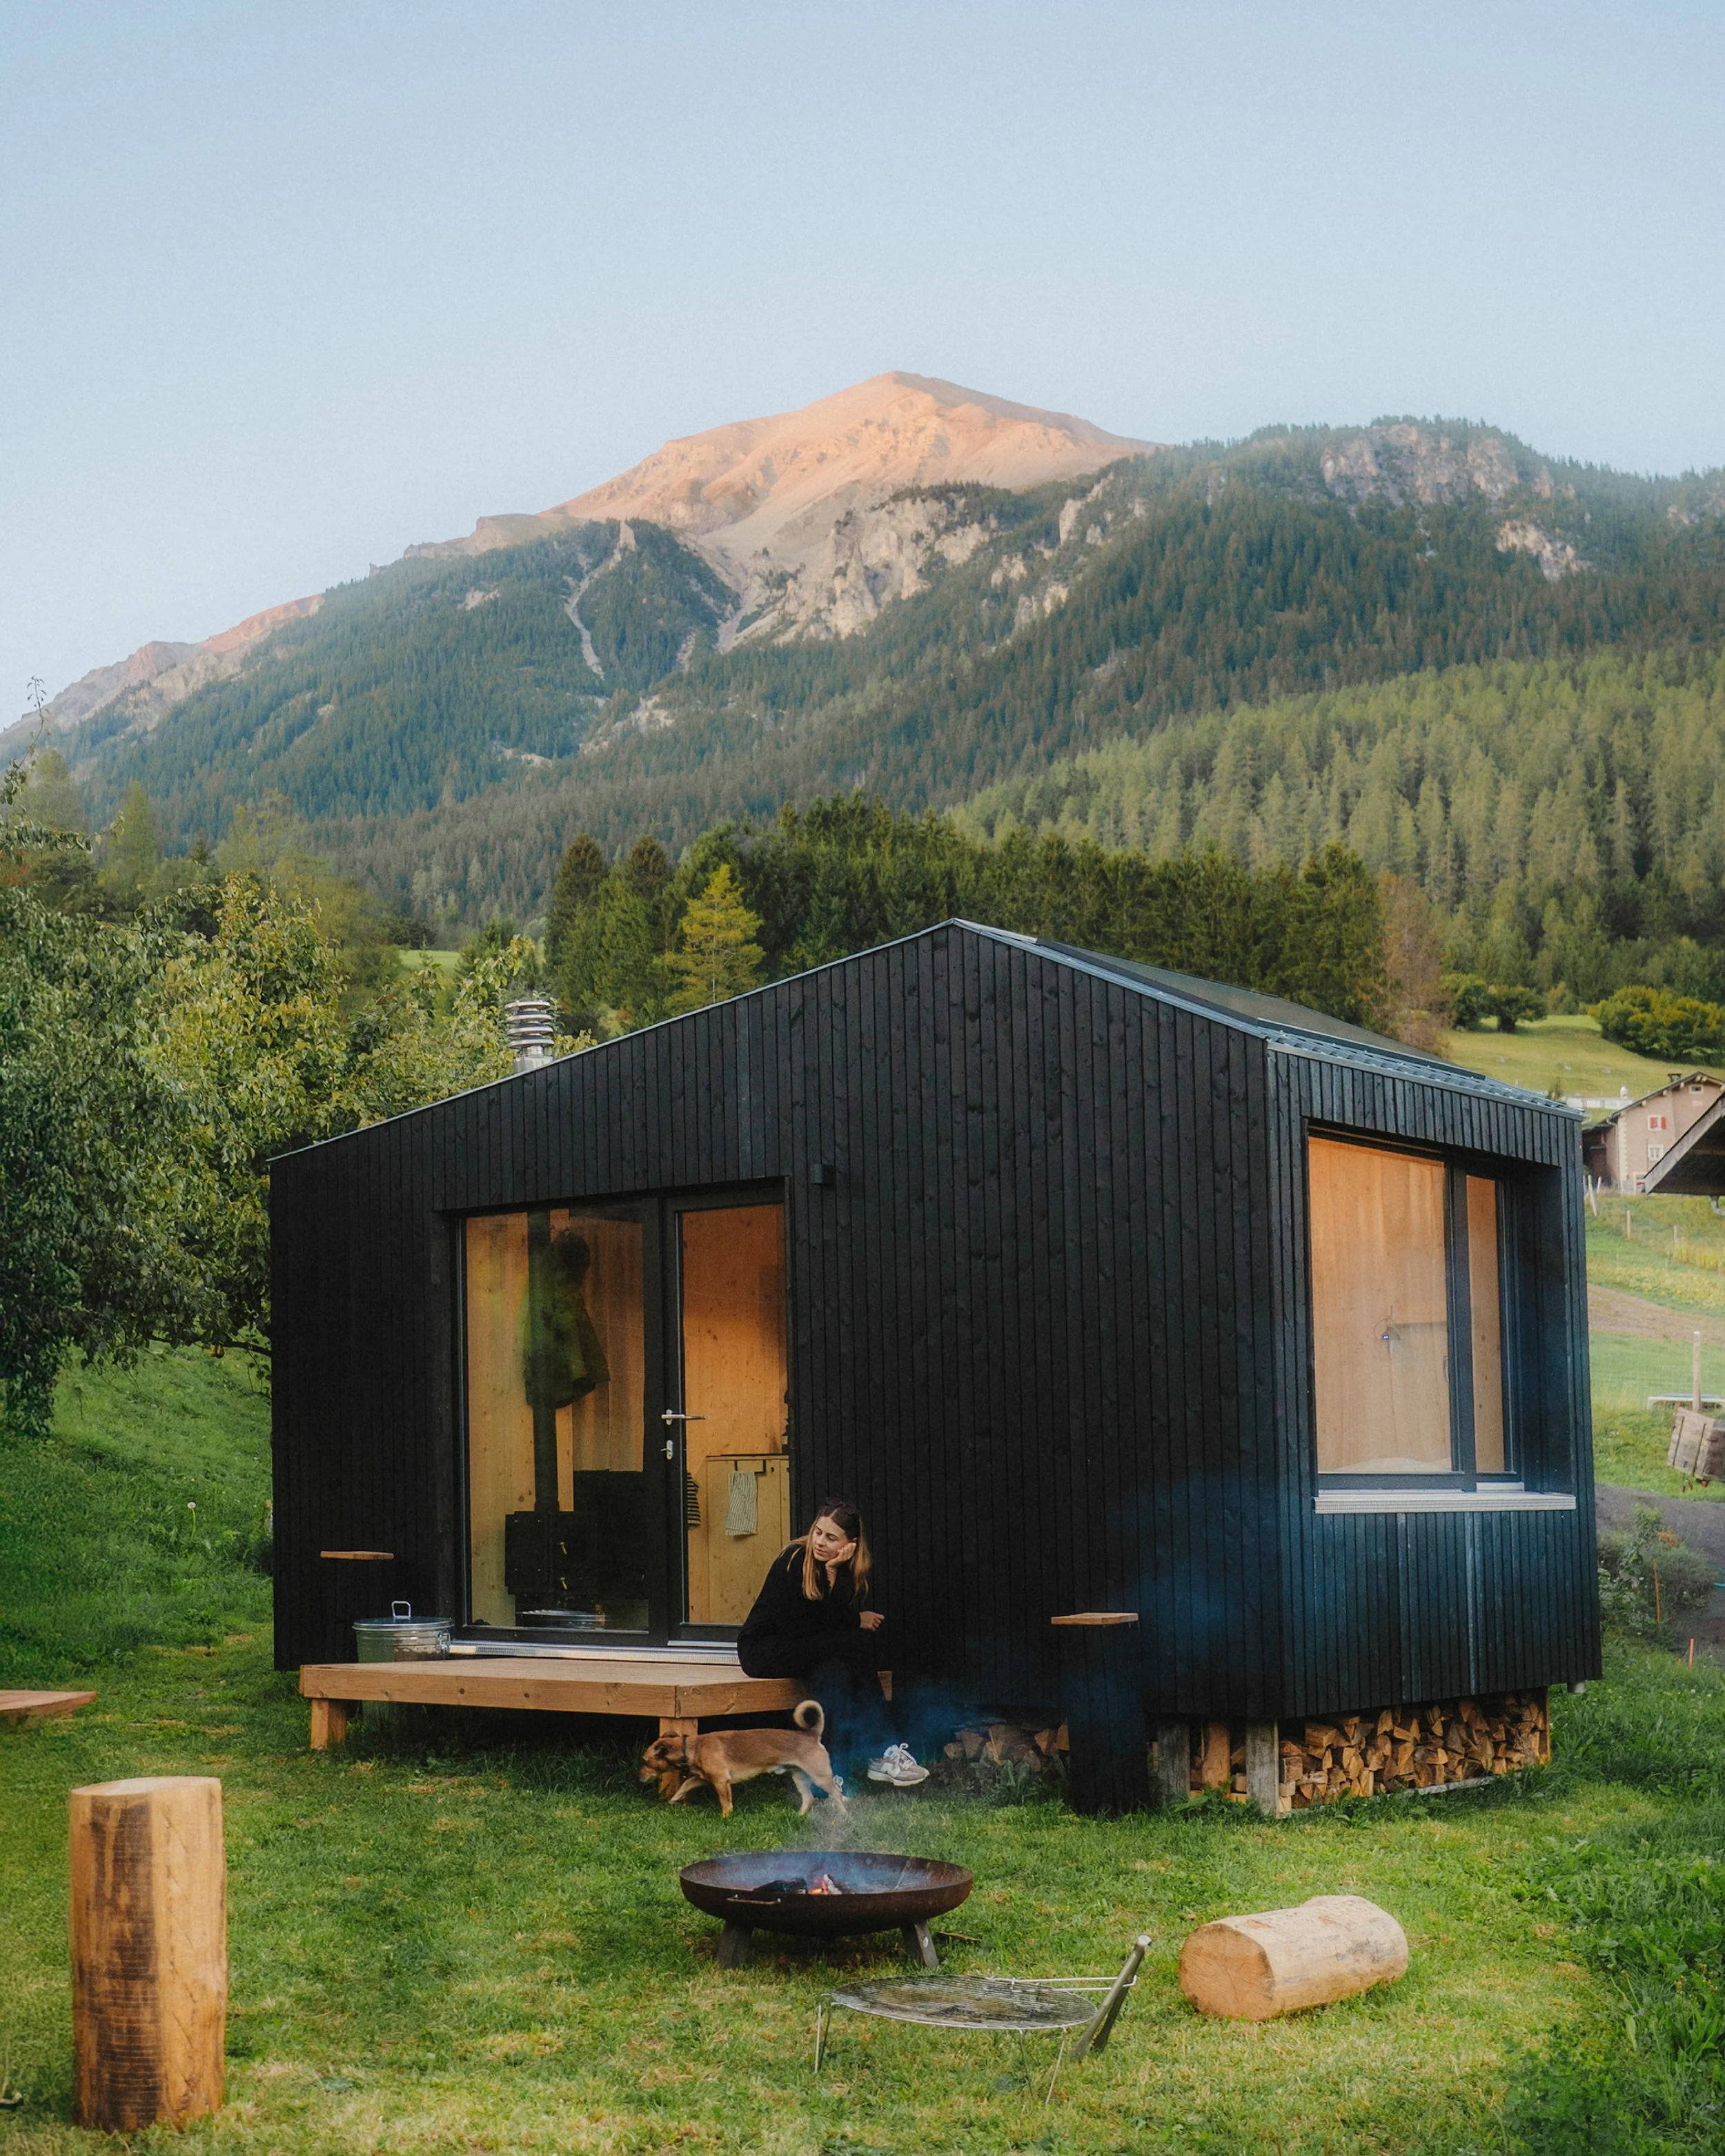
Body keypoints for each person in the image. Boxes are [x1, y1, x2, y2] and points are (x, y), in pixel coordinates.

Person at [736, 1498, 928, 1789]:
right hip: (766, 1649)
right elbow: (800, 1627)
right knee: (853, 1644)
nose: (821, 1542)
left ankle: (829, 1773)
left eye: (831, 1537)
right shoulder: (793, 1560)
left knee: (833, 1675)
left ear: (850, 1543)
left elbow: (830, 1624)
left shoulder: (845, 1569)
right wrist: (852, 1620)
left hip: (809, 1651)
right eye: (818, 1532)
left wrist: (834, 1573)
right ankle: (884, 1752)